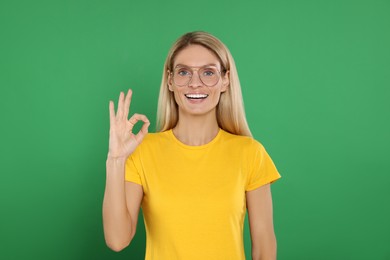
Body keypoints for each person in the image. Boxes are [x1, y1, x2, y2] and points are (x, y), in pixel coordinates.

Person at [102, 31, 281, 260]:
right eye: (184, 72)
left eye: (208, 73)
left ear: (226, 80)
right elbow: (117, 240)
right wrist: (115, 160)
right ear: (170, 80)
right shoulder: (143, 150)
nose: (195, 83)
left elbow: (265, 248)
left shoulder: (251, 154)